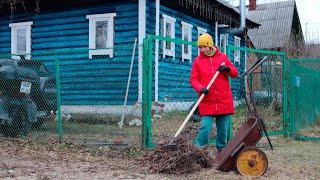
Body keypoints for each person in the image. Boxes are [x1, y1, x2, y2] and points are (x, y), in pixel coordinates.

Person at [190, 33, 238, 153]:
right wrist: (201, 88)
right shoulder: (198, 61)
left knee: (223, 130)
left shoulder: (222, 58)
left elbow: (235, 73)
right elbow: (193, 79)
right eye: (200, 47)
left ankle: (221, 151)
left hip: (223, 99)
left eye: (204, 46)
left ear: (210, 45)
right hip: (208, 100)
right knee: (205, 127)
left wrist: (227, 69)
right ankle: (199, 150)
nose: (202, 50)